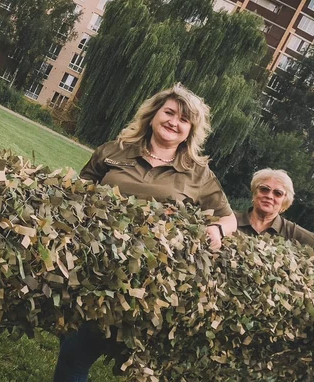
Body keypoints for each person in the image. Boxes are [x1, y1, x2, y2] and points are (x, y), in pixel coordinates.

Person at [53, 84, 237, 382]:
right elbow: (80, 190)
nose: (174, 122)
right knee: (70, 334)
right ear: (153, 115)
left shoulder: (198, 173)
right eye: (169, 112)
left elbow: (228, 218)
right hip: (86, 262)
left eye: (184, 119)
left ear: (190, 130)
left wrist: (216, 228)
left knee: (78, 351)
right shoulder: (115, 150)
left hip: (138, 280)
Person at [234, 169, 314, 281]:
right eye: (264, 189)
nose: (269, 196)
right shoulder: (231, 219)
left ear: (285, 201)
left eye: (278, 193)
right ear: (254, 192)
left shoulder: (292, 231)